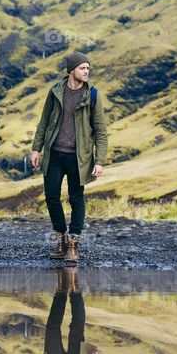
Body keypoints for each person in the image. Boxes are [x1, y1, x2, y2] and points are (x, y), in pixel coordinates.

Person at [30, 51, 108, 263]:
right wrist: (36, 149)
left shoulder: (92, 95)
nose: (86, 72)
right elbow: (44, 121)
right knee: (52, 197)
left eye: (88, 68)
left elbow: (100, 131)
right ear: (72, 70)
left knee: (76, 199)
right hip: (54, 154)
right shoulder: (56, 91)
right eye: (83, 68)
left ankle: (73, 244)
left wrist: (99, 161)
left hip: (78, 158)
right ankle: (61, 239)